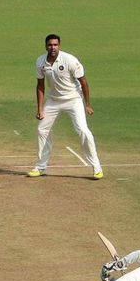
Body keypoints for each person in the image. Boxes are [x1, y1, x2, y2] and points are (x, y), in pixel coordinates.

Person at [27, 34, 103, 180]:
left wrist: (87, 104)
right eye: (50, 45)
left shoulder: (70, 60)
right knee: (41, 130)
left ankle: (97, 167)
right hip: (53, 100)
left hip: (73, 99)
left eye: (55, 45)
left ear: (59, 46)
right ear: (46, 46)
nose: (53, 48)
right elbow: (40, 86)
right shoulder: (40, 61)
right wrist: (40, 108)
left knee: (82, 130)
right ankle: (40, 167)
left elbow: (84, 82)